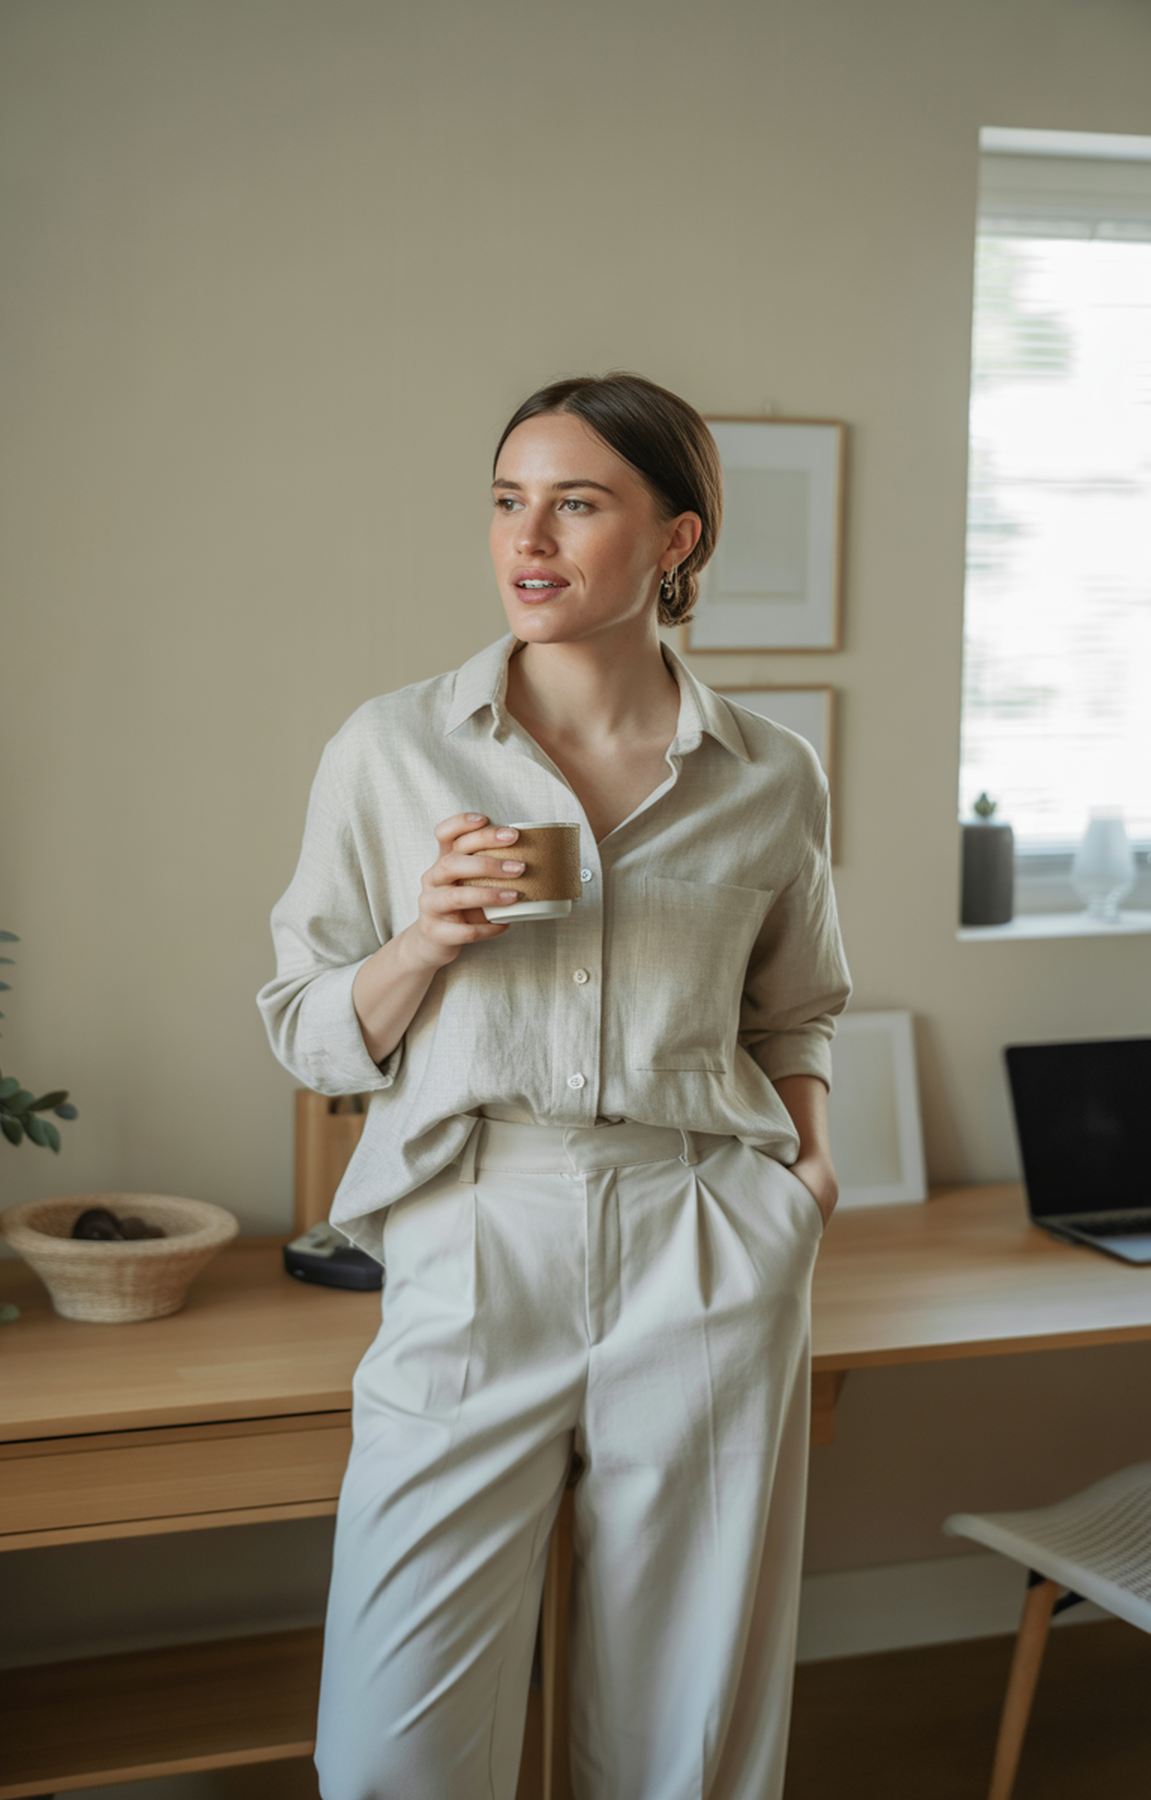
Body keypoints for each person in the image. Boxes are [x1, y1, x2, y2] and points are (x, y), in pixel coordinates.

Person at [258, 371, 851, 1800]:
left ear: (676, 539)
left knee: (685, 1740)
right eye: (508, 501)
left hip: (703, 1230)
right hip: (476, 1227)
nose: (528, 539)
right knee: (393, 1752)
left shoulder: (771, 775)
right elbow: (306, 1032)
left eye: (577, 504)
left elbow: (796, 1010)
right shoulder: (390, 749)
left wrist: (804, 1180)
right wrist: (425, 939)